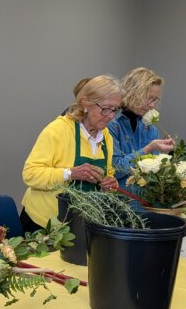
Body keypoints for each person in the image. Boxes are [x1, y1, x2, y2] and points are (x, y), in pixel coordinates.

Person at [21, 75, 121, 232]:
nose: (111, 116)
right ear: (85, 103)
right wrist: (70, 173)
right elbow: (30, 174)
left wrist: (109, 183)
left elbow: (108, 174)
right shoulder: (58, 130)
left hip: (78, 223)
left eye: (115, 109)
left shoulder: (106, 136)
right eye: (106, 108)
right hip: (43, 223)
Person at [108, 67, 175, 190]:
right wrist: (149, 148)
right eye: (148, 98)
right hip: (119, 200)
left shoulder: (151, 129)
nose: (152, 105)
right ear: (132, 92)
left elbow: (153, 175)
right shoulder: (111, 124)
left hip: (145, 200)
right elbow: (115, 170)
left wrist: (164, 156)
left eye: (155, 100)